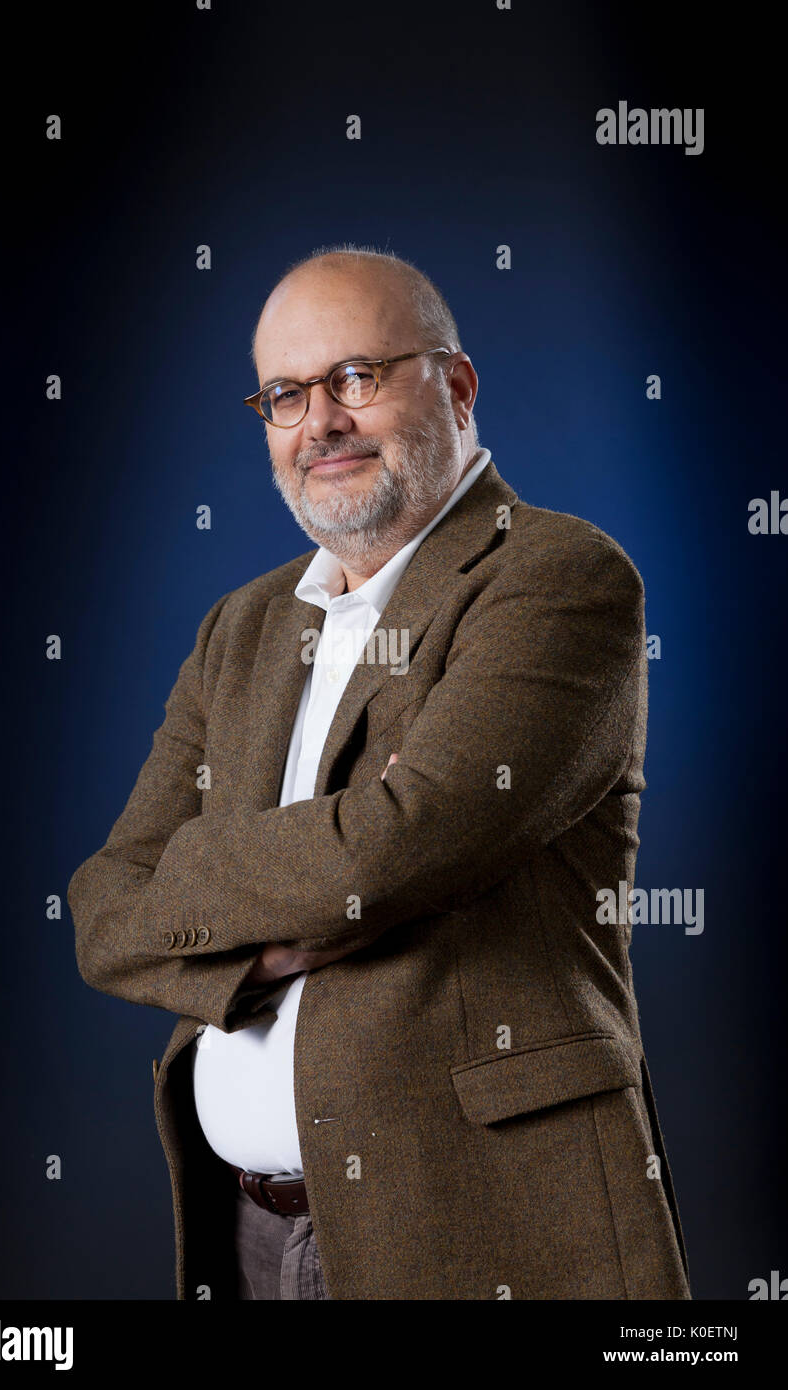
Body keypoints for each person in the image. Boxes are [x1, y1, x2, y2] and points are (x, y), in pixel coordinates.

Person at [68, 244, 691, 1301]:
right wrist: (267, 940)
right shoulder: (243, 627)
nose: (321, 422)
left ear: (453, 387)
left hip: (481, 1225)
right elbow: (103, 908)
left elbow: (394, 842)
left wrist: (209, 868)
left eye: (356, 378)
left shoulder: (554, 578)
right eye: (285, 395)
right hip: (249, 1237)